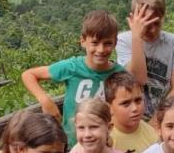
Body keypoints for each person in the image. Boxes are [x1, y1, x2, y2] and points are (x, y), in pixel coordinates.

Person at [21, 9, 126, 146]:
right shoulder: (73, 67)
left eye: (107, 43)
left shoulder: (120, 74)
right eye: (95, 43)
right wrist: (45, 100)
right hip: (71, 144)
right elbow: (29, 75)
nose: (101, 50)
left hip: (105, 145)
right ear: (83, 41)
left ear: (115, 43)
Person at [117, 0, 174, 118]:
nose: (152, 30)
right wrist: (136, 37)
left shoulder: (173, 43)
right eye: (147, 24)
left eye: (157, 23)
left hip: (163, 114)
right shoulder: (124, 40)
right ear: (134, 19)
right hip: (132, 116)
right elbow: (139, 79)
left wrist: (158, 119)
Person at [106, 71, 158, 153]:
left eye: (138, 100)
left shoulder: (153, 135)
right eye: (125, 103)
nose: (134, 108)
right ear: (109, 107)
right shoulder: (102, 138)